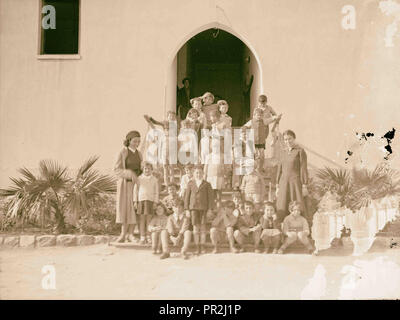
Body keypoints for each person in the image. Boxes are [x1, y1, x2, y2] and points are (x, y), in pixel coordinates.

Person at [114, 130, 142, 243]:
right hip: (126, 185)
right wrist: (129, 173)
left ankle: (131, 234)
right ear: (129, 140)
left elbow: (141, 169)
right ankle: (123, 234)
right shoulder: (122, 152)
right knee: (125, 209)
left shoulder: (139, 154)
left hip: (137, 185)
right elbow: (116, 169)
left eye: (138, 141)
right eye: (135, 141)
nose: (137, 143)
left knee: (134, 209)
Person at [275, 130, 309, 223]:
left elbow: (303, 168)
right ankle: (282, 228)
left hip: (295, 182)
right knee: (282, 204)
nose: (287, 141)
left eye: (290, 139)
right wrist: (277, 185)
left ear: (294, 139)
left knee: (296, 204)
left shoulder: (300, 151)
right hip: (283, 183)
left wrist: (304, 185)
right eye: (285, 139)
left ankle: (299, 226)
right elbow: (279, 169)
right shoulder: (283, 152)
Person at [184, 165, 214, 254]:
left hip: (203, 209)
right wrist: (187, 209)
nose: (198, 174)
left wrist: (210, 209)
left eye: (200, 172)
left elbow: (211, 198)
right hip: (193, 209)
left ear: (203, 173)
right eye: (196, 173)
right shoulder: (190, 183)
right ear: (193, 174)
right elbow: (187, 197)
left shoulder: (207, 184)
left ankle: (203, 246)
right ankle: (197, 247)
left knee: (203, 228)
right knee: (196, 228)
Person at [144, 112, 179, 186]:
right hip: (165, 150)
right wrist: (151, 120)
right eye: (170, 116)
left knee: (171, 168)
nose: (171, 117)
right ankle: (166, 184)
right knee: (165, 167)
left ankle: (172, 183)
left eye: (173, 116)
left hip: (172, 149)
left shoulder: (174, 124)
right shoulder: (164, 134)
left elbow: (163, 123)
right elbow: (157, 123)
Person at [133, 161, 159, 244]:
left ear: (151, 170)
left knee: (149, 220)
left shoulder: (154, 179)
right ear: (142, 169)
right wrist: (135, 201)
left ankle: (148, 236)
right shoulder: (139, 178)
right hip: (141, 200)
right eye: (145, 169)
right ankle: (142, 237)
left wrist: (155, 202)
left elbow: (156, 192)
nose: (147, 170)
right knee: (141, 220)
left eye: (148, 169)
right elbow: (135, 191)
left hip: (150, 201)